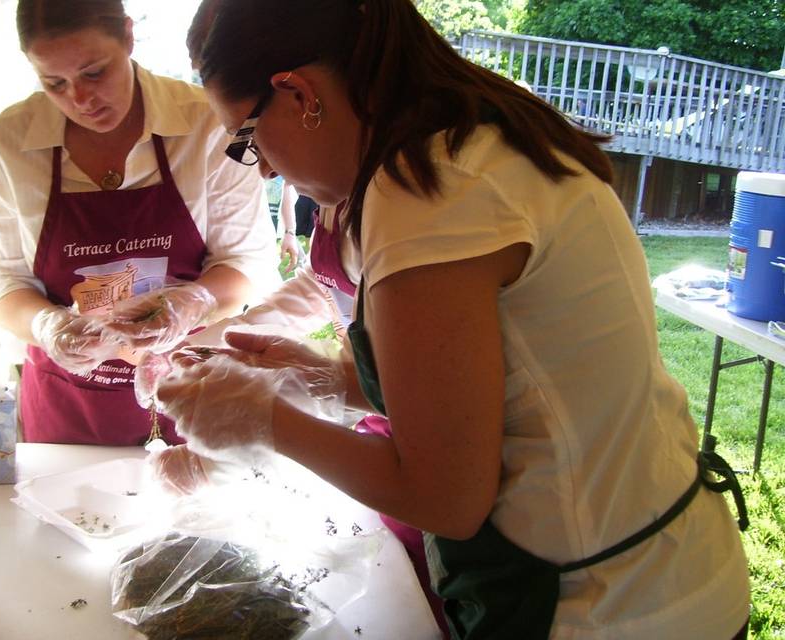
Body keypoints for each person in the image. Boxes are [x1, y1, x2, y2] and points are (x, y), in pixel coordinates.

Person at [153, 1, 752, 638]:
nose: (266, 168)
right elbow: (508, 389)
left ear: (298, 92)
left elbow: (444, 498)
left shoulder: (426, 193)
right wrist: (329, 381)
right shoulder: (473, 137)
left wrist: (263, 421)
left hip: (606, 606)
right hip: (661, 564)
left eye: (247, 139)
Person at [0, 0, 279, 445]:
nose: (80, 100)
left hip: (192, 389)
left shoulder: (206, 126)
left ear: (129, 37)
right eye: (54, 83)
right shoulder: (7, 144)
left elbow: (247, 264)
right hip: (69, 409)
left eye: (95, 72)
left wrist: (192, 301)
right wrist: (47, 326)